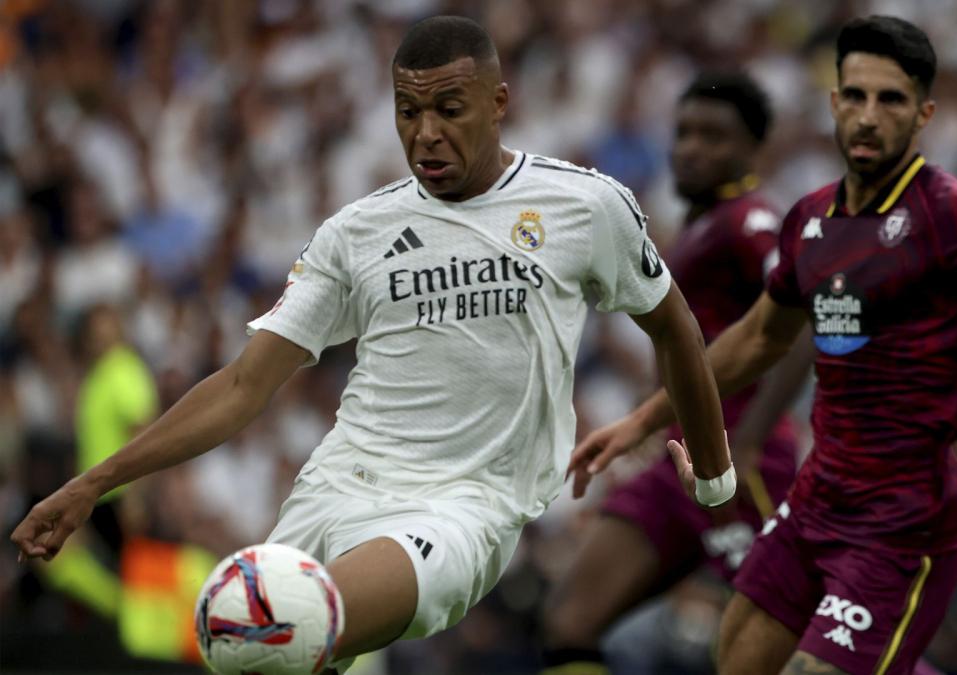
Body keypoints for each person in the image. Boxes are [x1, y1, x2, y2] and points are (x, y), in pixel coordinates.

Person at [11, 15, 735, 674]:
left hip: (461, 506)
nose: (425, 133)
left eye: (449, 110)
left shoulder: (585, 206)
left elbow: (674, 329)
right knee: (251, 647)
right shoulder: (357, 233)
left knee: (280, 629)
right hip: (336, 484)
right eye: (407, 111)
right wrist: (92, 482)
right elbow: (242, 387)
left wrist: (714, 479)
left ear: (498, 102)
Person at [569, 15, 957, 675]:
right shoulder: (811, 221)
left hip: (904, 517)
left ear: (923, 113)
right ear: (834, 102)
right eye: (857, 95)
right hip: (818, 496)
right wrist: (644, 418)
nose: (870, 115)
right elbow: (758, 337)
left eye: (891, 99)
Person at [541, 72, 814, 674]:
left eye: (714, 136)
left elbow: (798, 329)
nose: (692, 147)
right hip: (677, 464)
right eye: (685, 132)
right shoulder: (700, 227)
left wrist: (744, 442)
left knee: (801, 647)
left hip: (742, 461)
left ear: (752, 150)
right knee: (570, 619)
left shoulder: (754, 223)